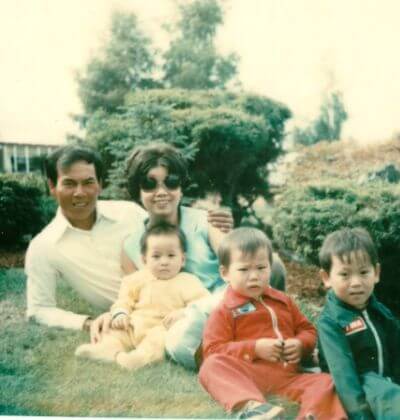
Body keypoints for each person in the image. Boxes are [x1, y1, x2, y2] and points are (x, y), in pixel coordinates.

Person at [25, 145, 230, 334]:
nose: (80, 192)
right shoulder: (44, 247)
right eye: (69, 183)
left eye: (88, 182)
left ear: (100, 184)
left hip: (207, 303)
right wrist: (88, 322)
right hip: (144, 314)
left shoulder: (129, 213)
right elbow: (39, 309)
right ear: (52, 186)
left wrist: (214, 224)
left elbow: (169, 217)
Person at [119, 142, 287, 370]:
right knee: (178, 342)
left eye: (171, 182)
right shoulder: (130, 246)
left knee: (272, 265)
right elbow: (132, 296)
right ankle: (242, 352)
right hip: (182, 324)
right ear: (137, 190)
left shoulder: (206, 221)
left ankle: (268, 334)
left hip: (227, 305)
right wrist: (116, 315)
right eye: (150, 184)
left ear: (181, 187)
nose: (161, 192)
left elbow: (239, 265)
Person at [199, 227, 346, 420]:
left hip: (289, 377)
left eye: (261, 268)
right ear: (225, 273)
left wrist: (300, 344)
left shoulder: (283, 301)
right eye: (244, 269)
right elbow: (212, 350)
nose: (254, 276)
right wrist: (254, 348)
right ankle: (254, 408)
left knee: (326, 382)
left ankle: (314, 415)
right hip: (248, 375)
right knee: (211, 366)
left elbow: (308, 330)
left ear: (270, 267)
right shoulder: (225, 310)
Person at [75, 223, 209, 370]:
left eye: (171, 255)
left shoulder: (188, 281)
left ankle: (138, 359)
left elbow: (202, 305)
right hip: (133, 324)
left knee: (158, 342)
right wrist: (121, 313)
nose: (164, 262)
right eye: (156, 256)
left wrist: (183, 313)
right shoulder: (137, 279)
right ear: (145, 260)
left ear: (182, 259)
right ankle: (106, 349)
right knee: (114, 332)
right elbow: (124, 300)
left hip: (162, 327)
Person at [317, 227, 400, 420]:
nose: (356, 282)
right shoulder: (330, 322)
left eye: (363, 272)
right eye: (345, 275)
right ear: (326, 278)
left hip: (388, 386)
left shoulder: (380, 311)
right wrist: (361, 417)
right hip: (363, 389)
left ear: (376, 273)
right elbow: (344, 377)